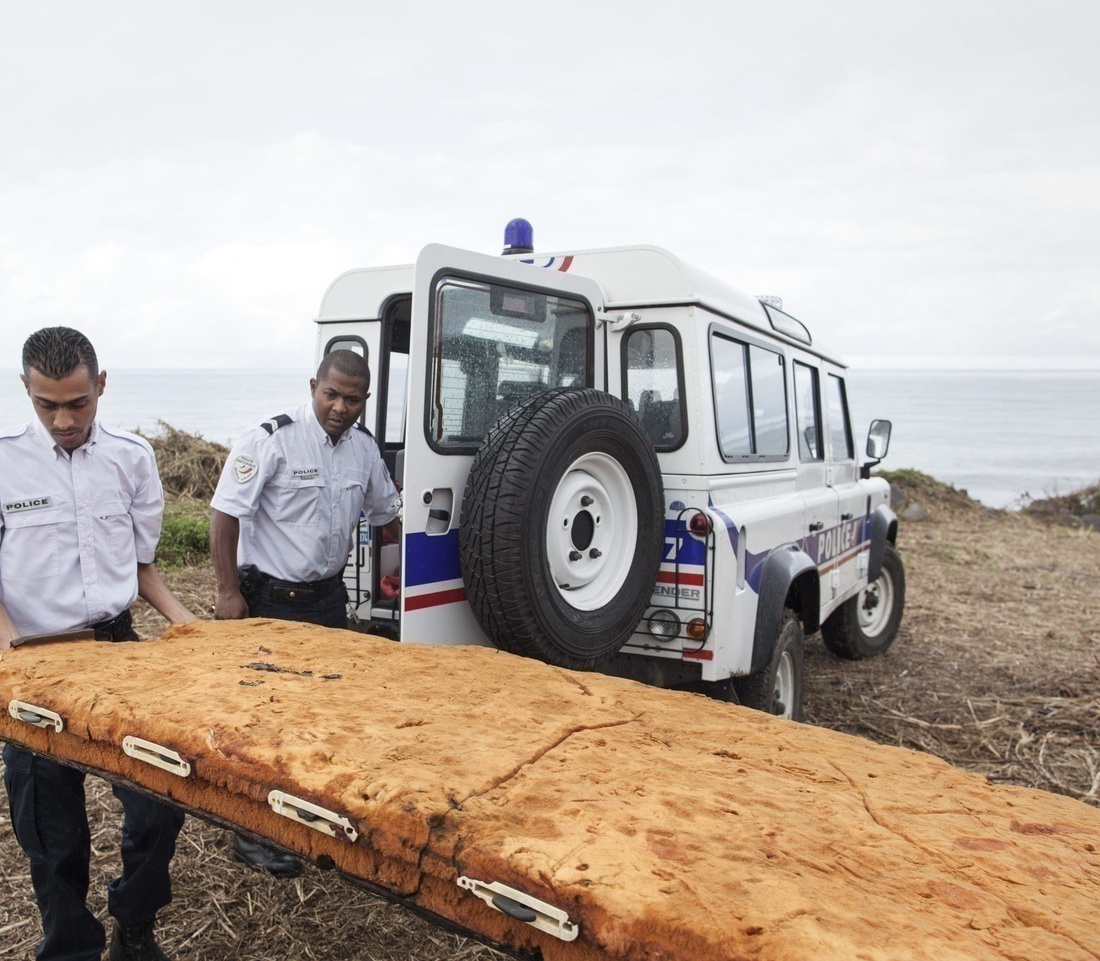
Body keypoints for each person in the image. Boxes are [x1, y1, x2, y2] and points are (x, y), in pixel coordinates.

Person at [0, 327, 198, 961]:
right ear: (25, 389)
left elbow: (142, 568)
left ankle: (134, 928)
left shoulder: (132, 458)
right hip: (37, 660)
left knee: (160, 804)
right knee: (50, 831)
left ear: (101, 385)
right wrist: (11, 654)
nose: (63, 421)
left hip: (119, 653)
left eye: (78, 403)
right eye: (46, 404)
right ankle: (69, 949)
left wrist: (187, 622)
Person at [210, 348, 400, 876]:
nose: (340, 407)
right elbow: (225, 515)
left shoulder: (364, 449)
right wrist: (228, 593)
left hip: (329, 602)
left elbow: (386, 516)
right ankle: (253, 833)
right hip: (272, 602)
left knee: (322, 718)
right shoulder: (270, 439)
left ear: (365, 400)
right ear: (313, 386)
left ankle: (303, 819)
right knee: (266, 721)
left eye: (352, 399)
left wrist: (409, 577)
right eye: (331, 394)